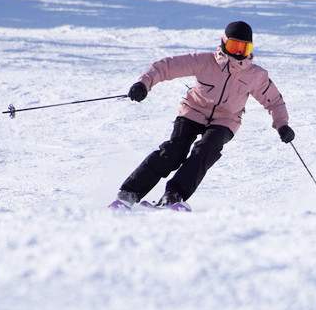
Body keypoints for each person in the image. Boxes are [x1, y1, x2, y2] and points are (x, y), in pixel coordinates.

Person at [109, 21, 294, 210]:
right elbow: (166, 66)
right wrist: (143, 84)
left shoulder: (255, 75)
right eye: (234, 46)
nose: (239, 53)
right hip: (193, 111)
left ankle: (174, 195)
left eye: (244, 48)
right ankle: (129, 192)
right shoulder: (204, 61)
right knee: (174, 151)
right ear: (223, 43)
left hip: (226, 120)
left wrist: (282, 124)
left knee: (207, 149)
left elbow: (274, 101)